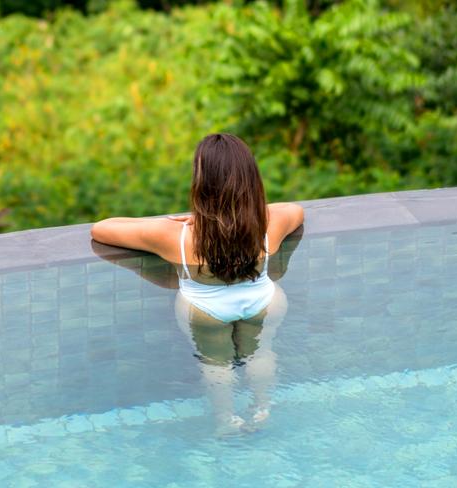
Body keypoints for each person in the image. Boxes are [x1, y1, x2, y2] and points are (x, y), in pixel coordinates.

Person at [91, 133, 304, 432]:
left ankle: (227, 421)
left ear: (202, 185)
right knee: (261, 352)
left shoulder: (174, 236)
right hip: (263, 302)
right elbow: (295, 210)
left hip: (206, 312)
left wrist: (177, 220)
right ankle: (262, 409)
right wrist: (248, 212)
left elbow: (102, 229)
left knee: (216, 364)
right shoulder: (268, 226)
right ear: (251, 182)